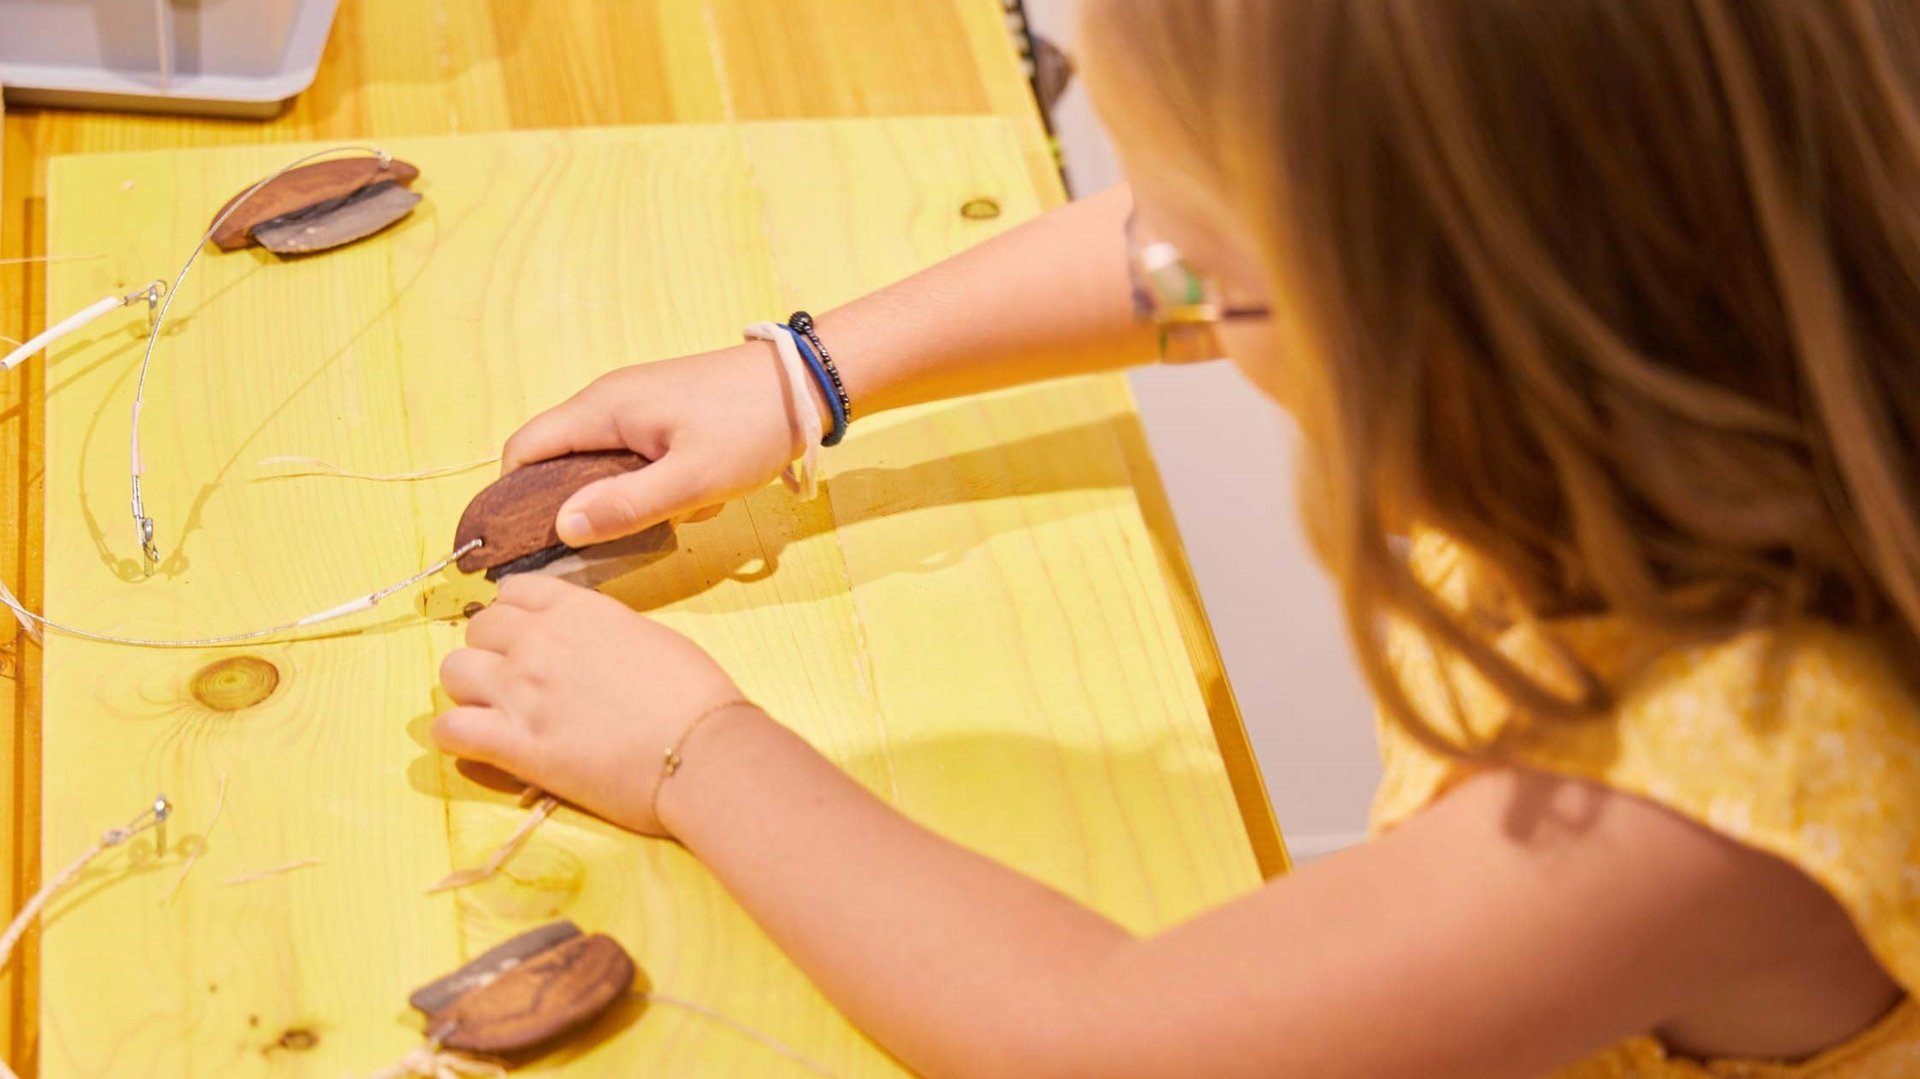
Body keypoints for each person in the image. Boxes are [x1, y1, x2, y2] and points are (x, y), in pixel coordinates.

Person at [431, 2, 1920, 1074]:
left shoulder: (1702, 796)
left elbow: (1096, 1041)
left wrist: (693, 748)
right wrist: (802, 375)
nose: (1166, 271)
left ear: (1435, 302)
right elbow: (1180, 247)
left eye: (1212, 257)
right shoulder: (1715, 332)